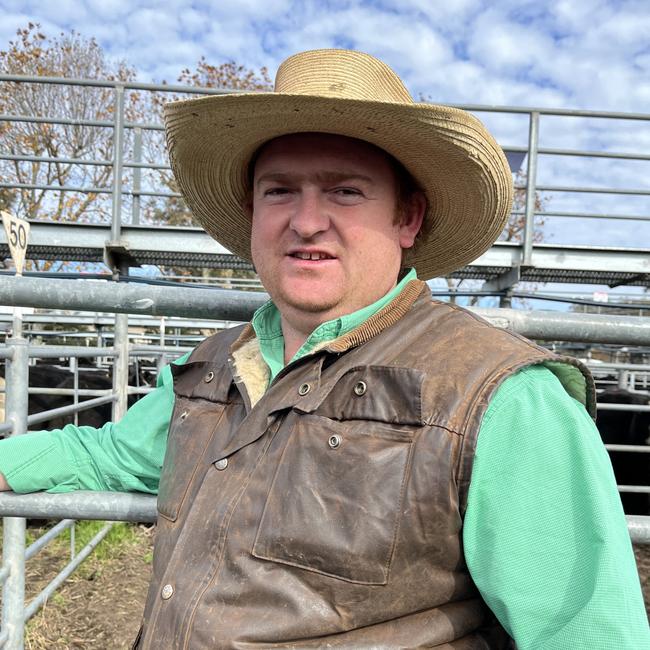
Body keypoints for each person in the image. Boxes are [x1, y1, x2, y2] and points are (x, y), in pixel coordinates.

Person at [0, 49, 648, 649]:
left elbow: (585, 632)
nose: (306, 220)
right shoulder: (212, 369)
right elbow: (108, 455)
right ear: (252, 213)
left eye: (345, 190)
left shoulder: (502, 397)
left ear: (409, 218)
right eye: (279, 190)